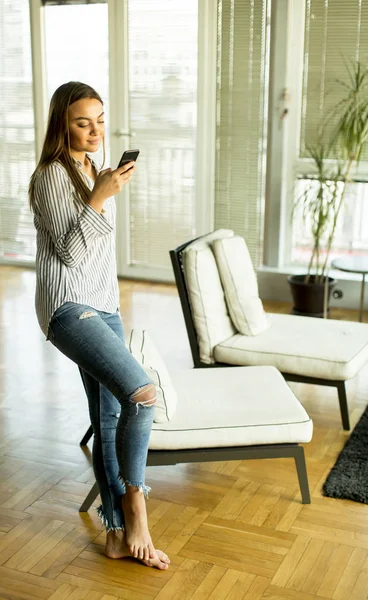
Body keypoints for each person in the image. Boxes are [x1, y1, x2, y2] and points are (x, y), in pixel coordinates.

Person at [29, 81, 170, 570]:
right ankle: (136, 506)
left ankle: (114, 533)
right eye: (82, 122)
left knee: (109, 414)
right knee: (142, 393)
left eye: (101, 119)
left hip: (102, 304)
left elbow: (98, 256)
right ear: (61, 125)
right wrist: (99, 198)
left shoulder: (91, 169)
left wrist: (101, 188)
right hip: (67, 307)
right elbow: (69, 253)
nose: (95, 131)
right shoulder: (51, 174)